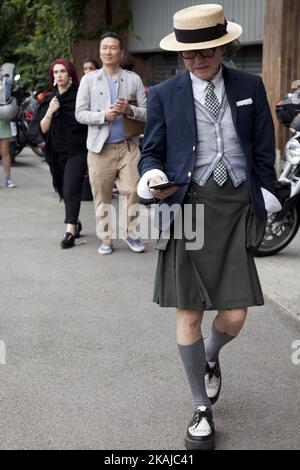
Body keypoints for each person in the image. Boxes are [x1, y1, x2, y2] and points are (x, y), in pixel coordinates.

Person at [137, 4, 281, 450]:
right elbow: (152, 152)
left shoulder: (249, 85)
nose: (197, 60)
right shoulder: (163, 94)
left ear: (223, 46)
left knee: (235, 314)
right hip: (191, 206)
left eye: (205, 51)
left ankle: (210, 356)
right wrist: (151, 177)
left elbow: (262, 148)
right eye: (188, 54)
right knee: (189, 310)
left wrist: (269, 191)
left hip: (237, 203)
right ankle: (201, 406)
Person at [75, 31, 147, 255]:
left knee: (134, 190)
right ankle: (105, 238)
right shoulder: (89, 80)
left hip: (128, 146)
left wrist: (130, 110)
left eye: (113, 47)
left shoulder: (133, 79)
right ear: (100, 52)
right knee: (102, 195)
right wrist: (103, 116)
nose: (108, 51)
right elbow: (79, 114)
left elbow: (148, 113)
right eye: (104, 47)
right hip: (99, 149)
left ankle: (130, 232)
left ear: (121, 52)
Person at [39, 58, 87, 249]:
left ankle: (69, 232)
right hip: (56, 151)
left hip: (77, 150)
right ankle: (75, 222)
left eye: (62, 72)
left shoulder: (79, 96)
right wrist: (50, 111)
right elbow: (43, 129)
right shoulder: (51, 99)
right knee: (62, 189)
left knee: (70, 188)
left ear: (70, 75)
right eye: (56, 72)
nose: (59, 75)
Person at [0, 68, 16, 188]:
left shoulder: (6, 82)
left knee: (5, 152)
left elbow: (11, 99)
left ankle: (8, 178)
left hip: (3, 119)